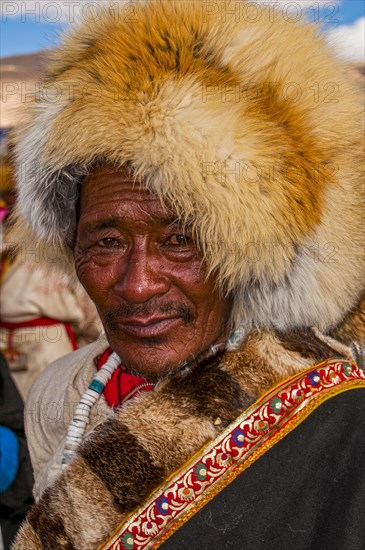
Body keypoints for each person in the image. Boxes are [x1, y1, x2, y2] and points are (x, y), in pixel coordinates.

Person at [11, 1, 365, 548]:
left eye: (182, 241)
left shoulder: (338, 414)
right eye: (105, 242)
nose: (136, 285)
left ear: (256, 251)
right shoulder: (59, 395)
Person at [0, 143, 102, 400]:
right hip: (9, 345)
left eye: (15, 191)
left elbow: (86, 302)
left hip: (50, 347)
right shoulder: (5, 238)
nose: (12, 198)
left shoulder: (55, 235)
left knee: (55, 410)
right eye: (8, 192)